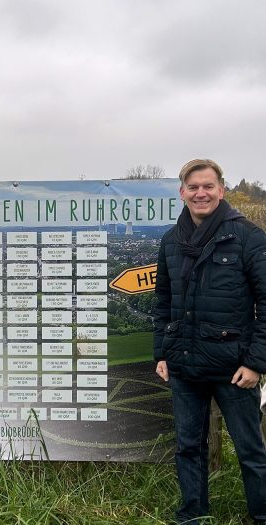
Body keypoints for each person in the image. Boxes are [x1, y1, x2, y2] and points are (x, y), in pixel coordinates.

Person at [154, 158, 266, 524]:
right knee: (188, 447)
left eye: (208, 186)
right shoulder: (171, 241)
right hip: (184, 365)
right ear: (182, 192)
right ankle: (192, 515)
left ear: (221, 189)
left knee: (251, 449)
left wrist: (256, 362)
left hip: (234, 367)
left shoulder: (248, 237)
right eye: (193, 186)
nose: (200, 193)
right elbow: (163, 302)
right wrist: (163, 353)